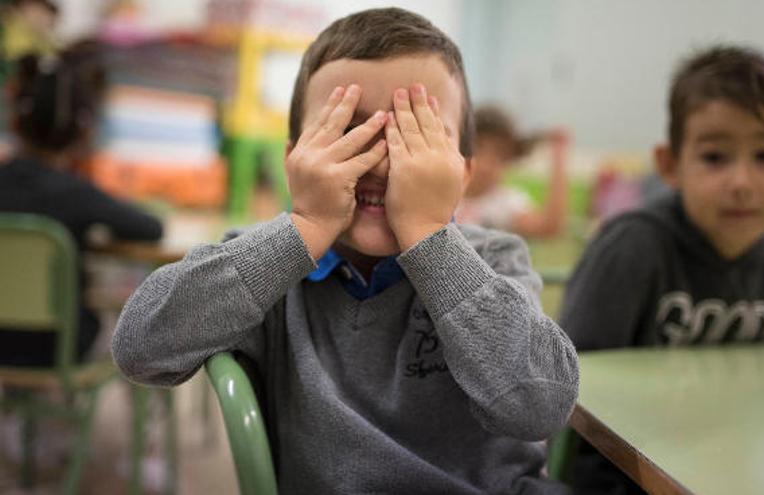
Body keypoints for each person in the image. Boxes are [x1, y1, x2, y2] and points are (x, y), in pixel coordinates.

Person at [113, 8, 578, 494]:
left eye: (412, 132)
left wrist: (428, 235)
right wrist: (307, 226)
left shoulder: (494, 259)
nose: (378, 161)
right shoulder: (266, 268)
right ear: (296, 159)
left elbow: (539, 405)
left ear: (461, 173)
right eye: (346, 132)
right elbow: (140, 349)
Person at [558, 45, 764, 494]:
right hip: (617, 481)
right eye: (715, 157)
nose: (741, 182)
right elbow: (571, 392)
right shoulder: (634, 248)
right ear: (670, 165)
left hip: (728, 474)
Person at [0, 45, 163, 366]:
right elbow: (151, 228)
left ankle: (21, 411)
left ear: (16, 123)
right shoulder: (77, 194)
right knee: (126, 331)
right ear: (84, 132)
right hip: (59, 346)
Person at [456, 105, 570, 238]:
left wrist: (559, 158)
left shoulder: (508, 203)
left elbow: (549, 227)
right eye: (478, 148)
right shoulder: (444, 197)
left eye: (499, 154)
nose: (486, 165)